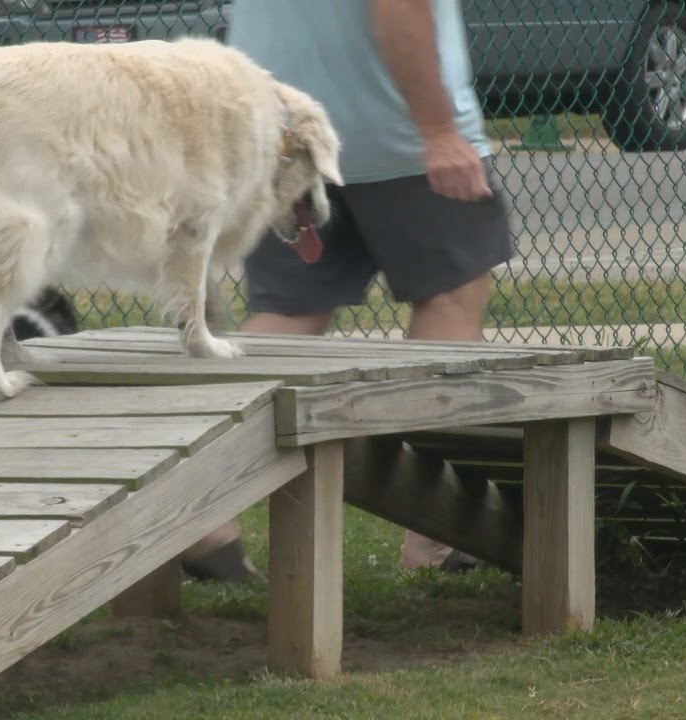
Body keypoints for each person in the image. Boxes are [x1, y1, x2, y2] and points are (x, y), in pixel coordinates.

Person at [180, 0, 517, 578]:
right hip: (395, 134)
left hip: (278, 126)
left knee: (288, 315)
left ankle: (197, 512)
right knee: (451, 297)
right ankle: (433, 540)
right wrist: (437, 131)